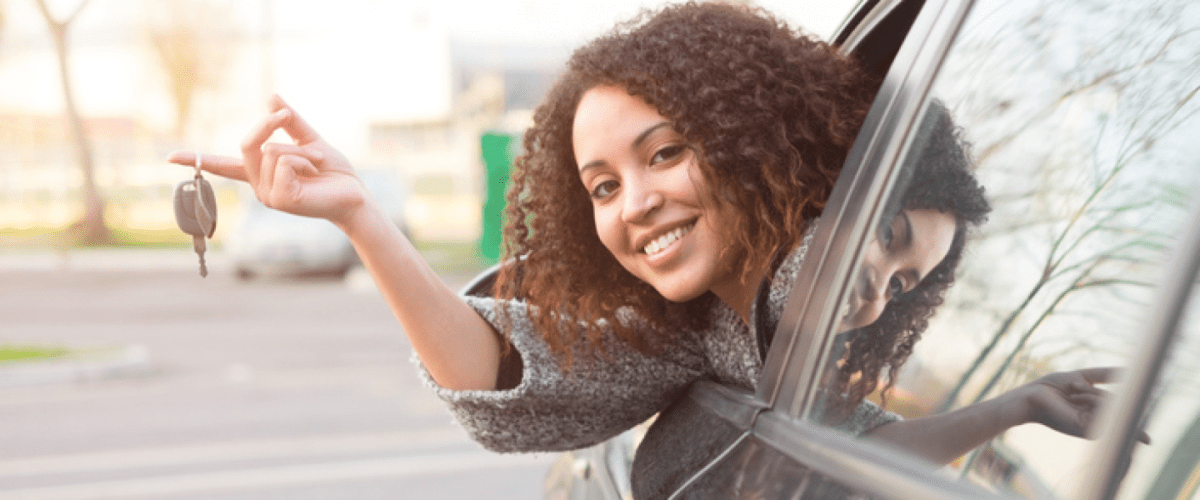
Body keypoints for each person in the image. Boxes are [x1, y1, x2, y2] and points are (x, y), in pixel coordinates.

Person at [169, 0, 1122, 474]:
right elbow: (500, 377)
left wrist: (1016, 406)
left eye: (907, 276)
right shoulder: (692, 328)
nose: (634, 204)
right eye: (605, 182)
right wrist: (359, 215)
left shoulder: (791, 339)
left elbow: (886, 437)